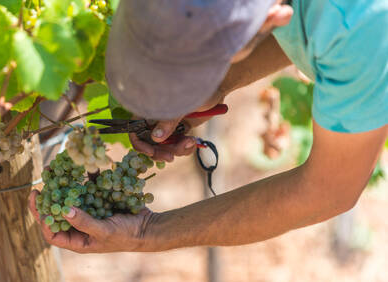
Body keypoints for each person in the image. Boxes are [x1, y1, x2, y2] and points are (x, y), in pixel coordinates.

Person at [29, 0, 387, 253]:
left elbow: (326, 191)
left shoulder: (363, 28)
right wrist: (216, 86)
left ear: (273, 17)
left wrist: (147, 232)